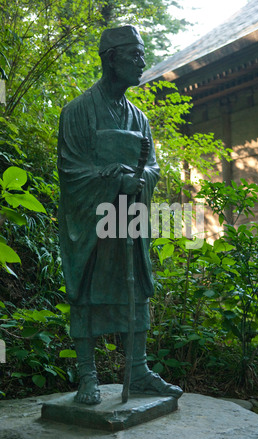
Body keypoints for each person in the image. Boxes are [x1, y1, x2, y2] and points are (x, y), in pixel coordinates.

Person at [57, 25, 183, 405]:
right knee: (88, 287)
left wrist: (139, 178)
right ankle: (87, 374)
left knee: (138, 288)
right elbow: (71, 170)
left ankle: (139, 370)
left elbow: (155, 167)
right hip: (92, 218)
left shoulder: (140, 118)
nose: (142, 62)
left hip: (130, 217)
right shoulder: (77, 112)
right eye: (134, 55)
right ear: (111, 60)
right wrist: (109, 179)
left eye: (142, 54)